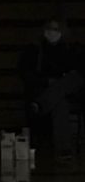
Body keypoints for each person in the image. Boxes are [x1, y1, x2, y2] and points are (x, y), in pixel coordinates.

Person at [17, 18, 84, 161]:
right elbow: (26, 73)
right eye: (49, 30)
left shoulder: (73, 48)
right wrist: (48, 81)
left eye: (56, 30)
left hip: (72, 88)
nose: (52, 33)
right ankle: (64, 149)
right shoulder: (34, 50)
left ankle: (41, 104)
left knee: (71, 79)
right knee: (60, 101)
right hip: (49, 89)